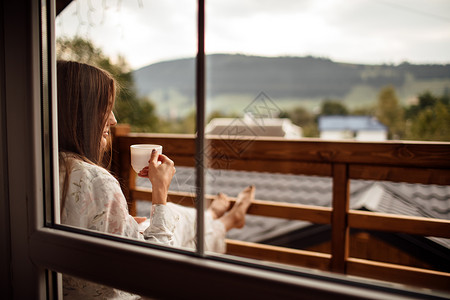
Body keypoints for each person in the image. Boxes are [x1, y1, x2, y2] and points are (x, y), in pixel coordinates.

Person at [57, 60, 254, 299]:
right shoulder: (97, 181)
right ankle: (225, 221)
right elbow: (155, 268)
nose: (113, 120)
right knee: (176, 226)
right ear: (81, 113)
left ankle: (213, 216)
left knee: (171, 215)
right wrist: (160, 190)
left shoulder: (47, 167)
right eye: (105, 108)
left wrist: (125, 221)